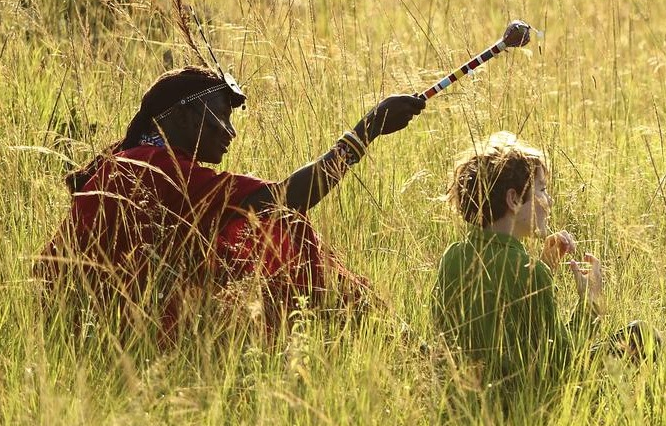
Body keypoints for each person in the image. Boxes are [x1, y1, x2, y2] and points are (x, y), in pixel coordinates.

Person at [36, 64, 425, 334]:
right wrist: (368, 129)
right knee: (287, 227)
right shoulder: (156, 167)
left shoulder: (134, 162)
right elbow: (289, 199)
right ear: (185, 115)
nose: (231, 133)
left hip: (81, 320)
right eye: (222, 115)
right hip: (110, 327)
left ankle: (364, 329)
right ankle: (379, 332)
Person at [431, 131, 605, 402]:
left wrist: (545, 267)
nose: (549, 201)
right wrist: (591, 302)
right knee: (641, 335)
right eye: (543, 190)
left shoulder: (452, 257)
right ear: (513, 200)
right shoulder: (530, 273)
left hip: (465, 404)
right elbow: (560, 364)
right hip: (524, 406)